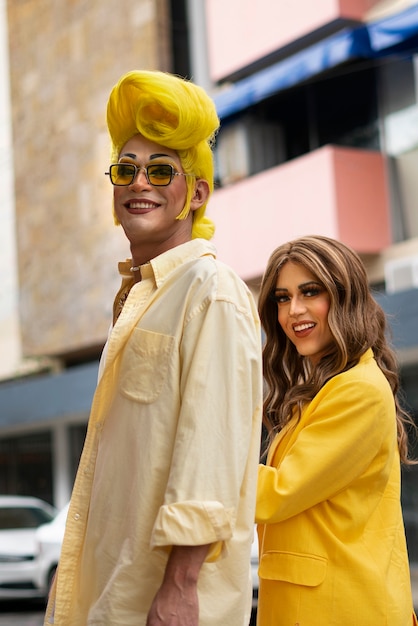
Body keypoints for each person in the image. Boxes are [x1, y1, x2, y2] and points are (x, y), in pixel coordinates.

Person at [44, 70, 262, 626]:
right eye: (127, 169)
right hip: (113, 596)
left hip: (164, 606)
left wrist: (181, 587)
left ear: (196, 193)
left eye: (162, 169)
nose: (140, 183)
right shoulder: (138, 298)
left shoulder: (210, 291)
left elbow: (209, 453)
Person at [255, 235, 417, 626]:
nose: (294, 310)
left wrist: (192, 461)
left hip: (340, 608)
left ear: (344, 297)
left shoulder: (357, 390)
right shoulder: (323, 391)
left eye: (310, 292)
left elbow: (279, 493)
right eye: (282, 297)